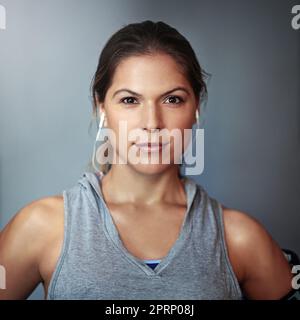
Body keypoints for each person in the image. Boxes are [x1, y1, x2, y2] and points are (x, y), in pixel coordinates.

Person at [0, 20, 294, 300]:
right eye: (130, 100)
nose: (152, 123)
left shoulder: (239, 238)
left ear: (196, 108)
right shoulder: (42, 226)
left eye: (172, 99)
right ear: (100, 107)